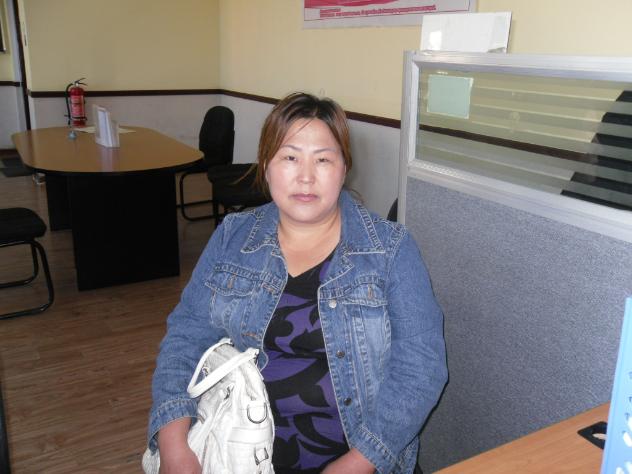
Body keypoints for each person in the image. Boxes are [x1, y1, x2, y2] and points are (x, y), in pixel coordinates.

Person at [147, 92, 448, 474]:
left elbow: (421, 368)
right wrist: (174, 444)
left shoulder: (390, 250)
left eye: (323, 159)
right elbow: (185, 336)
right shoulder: (233, 237)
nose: (306, 176)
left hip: (357, 457)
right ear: (266, 166)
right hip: (237, 450)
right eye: (290, 158)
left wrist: (359, 463)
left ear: (344, 168)